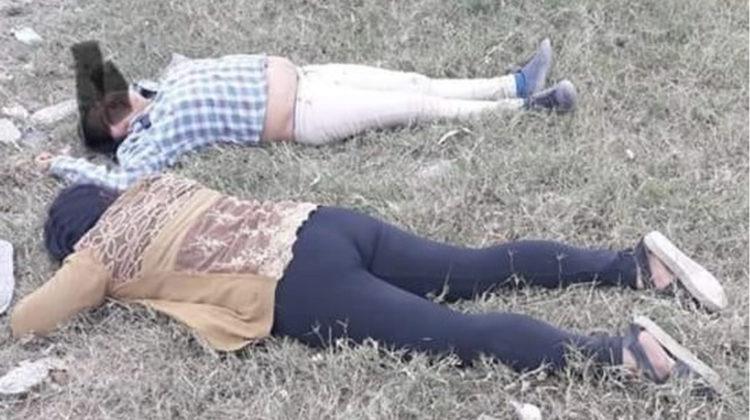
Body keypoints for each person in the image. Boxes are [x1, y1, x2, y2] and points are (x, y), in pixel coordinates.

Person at [11, 175, 726, 392]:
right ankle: (635, 265)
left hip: (296, 285)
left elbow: (29, 321)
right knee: (475, 268)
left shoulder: (97, 253)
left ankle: (622, 355)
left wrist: (77, 269)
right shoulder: (161, 185)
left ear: (75, 236)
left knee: (456, 335)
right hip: (322, 224)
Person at [35, 39, 577, 191]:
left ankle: (514, 82)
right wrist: (62, 162)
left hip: (309, 75)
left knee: (414, 81)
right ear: (120, 131)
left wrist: (99, 84)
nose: (117, 95)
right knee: (415, 107)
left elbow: (94, 61)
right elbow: (124, 180)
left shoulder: (156, 86)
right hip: (306, 111)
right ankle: (527, 107)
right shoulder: (146, 138)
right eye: (110, 110)